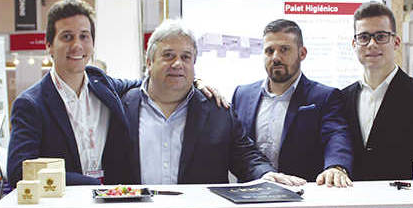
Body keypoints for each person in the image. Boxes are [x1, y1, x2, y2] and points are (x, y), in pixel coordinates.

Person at [8, 0, 225, 188]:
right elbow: (19, 171)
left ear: (92, 42)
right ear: (49, 45)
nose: (77, 45)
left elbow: (152, 82)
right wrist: (89, 184)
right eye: (67, 37)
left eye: (84, 36)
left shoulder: (102, 84)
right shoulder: (31, 104)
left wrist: (194, 82)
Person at [122, 20, 305, 186]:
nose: (178, 64)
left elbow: (245, 156)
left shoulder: (218, 110)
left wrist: (265, 174)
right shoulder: (122, 107)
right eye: (168, 55)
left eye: (186, 57)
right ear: (149, 62)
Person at [232, 19, 353, 187]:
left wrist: (336, 166)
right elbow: (236, 148)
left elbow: (336, 136)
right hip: (250, 197)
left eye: (284, 50)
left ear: (302, 53)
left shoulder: (324, 97)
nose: (275, 57)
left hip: (302, 198)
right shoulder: (242, 95)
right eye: (269, 51)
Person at [342, 2, 413, 181]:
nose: (371, 44)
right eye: (364, 37)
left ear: (396, 42)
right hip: (353, 202)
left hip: (406, 203)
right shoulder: (343, 98)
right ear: (354, 44)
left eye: (381, 36)